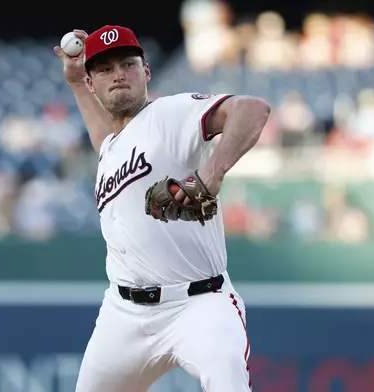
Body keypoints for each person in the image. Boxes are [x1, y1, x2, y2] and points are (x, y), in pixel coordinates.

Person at [53, 25, 271, 392]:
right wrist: (75, 83)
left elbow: (252, 109)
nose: (118, 74)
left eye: (127, 64)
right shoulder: (113, 146)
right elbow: (102, 138)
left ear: (146, 72)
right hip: (124, 315)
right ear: (93, 83)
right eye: (104, 69)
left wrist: (211, 173)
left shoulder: (171, 113)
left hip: (199, 305)